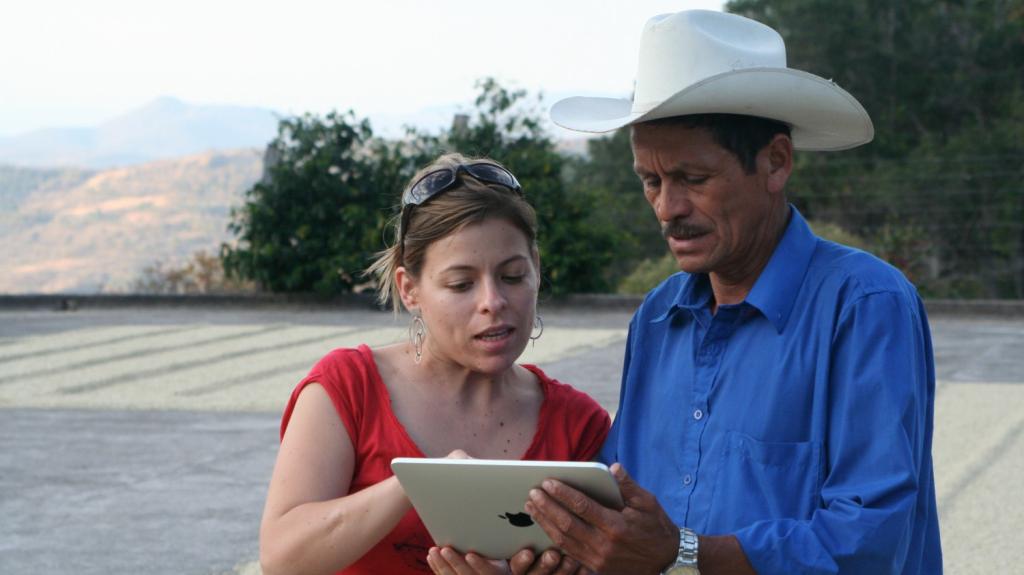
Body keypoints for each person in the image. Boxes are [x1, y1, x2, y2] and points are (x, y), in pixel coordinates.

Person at [436, 9, 943, 575]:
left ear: (776, 162)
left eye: (692, 180)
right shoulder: (658, 316)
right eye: (650, 181)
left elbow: (870, 539)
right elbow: (624, 512)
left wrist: (683, 553)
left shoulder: (865, 305)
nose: (666, 208)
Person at [258, 153, 611, 575]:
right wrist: (423, 483)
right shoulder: (348, 389)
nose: (493, 302)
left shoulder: (579, 425)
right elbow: (282, 558)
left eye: (513, 276)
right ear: (410, 289)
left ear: (536, 268)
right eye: (461, 284)